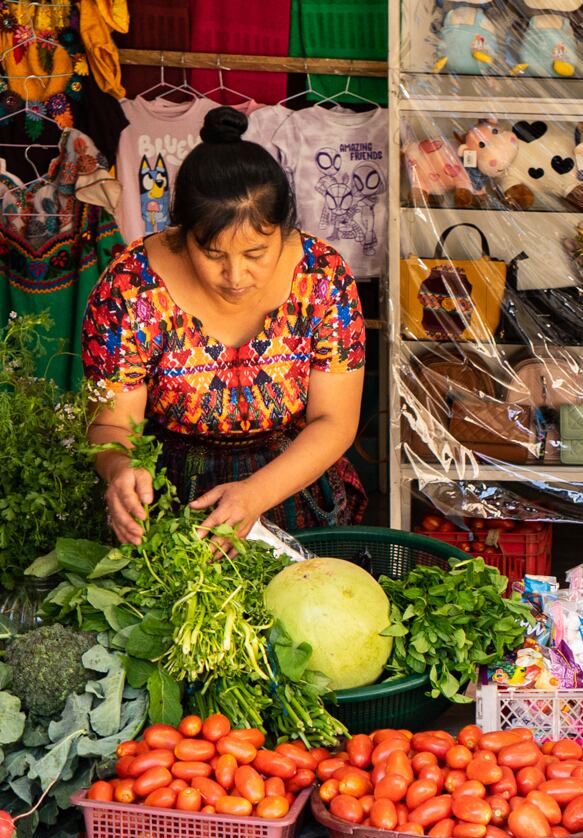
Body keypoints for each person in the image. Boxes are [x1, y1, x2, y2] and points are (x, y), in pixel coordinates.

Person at [81, 105, 369, 545]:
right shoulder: (130, 288)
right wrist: (121, 468)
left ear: (284, 229)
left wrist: (256, 494)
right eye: (213, 254)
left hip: (294, 487)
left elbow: (335, 421)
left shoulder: (322, 278)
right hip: (169, 501)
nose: (235, 277)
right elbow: (112, 425)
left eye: (255, 253)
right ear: (181, 233)